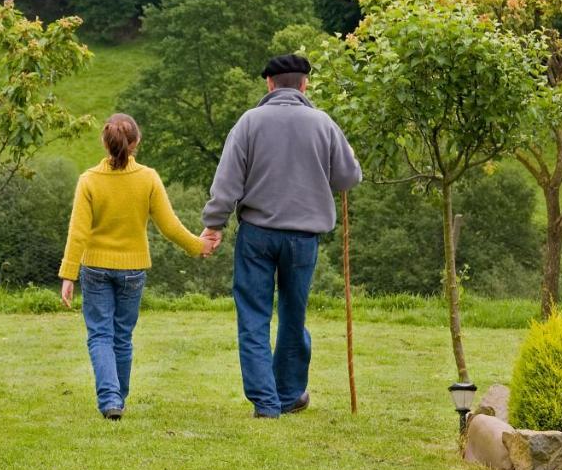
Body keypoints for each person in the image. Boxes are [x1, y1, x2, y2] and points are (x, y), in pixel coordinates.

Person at [201, 54, 361, 419]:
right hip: (303, 239)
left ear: (270, 84)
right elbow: (349, 178)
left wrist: (214, 225)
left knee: (254, 317)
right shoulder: (323, 123)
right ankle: (288, 394)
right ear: (304, 85)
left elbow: (226, 183)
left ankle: (265, 403)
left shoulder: (249, 123)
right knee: (293, 314)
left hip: (257, 235)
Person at [59, 114, 215, 419]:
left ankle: (110, 400)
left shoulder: (89, 180)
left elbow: (78, 233)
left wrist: (68, 274)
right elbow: (169, 227)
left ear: (105, 143)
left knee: (100, 335)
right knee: (122, 336)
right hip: (133, 270)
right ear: (136, 143)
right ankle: (119, 397)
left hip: (95, 269)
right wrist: (199, 246)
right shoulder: (148, 178)